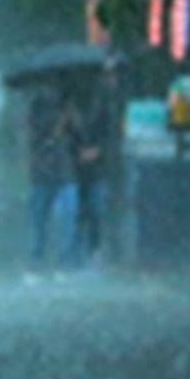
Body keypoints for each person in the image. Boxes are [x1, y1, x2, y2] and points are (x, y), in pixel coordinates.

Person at [25, 81, 80, 278]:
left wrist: (72, 119)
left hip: (66, 171)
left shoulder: (69, 105)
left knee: (68, 219)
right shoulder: (36, 108)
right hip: (42, 172)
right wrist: (60, 122)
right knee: (38, 222)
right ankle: (35, 264)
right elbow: (41, 138)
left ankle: (64, 263)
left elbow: (78, 136)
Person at [71, 66, 120, 265]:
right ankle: (80, 252)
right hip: (77, 169)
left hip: (97, 169)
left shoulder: (107, 106)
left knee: (95, 210)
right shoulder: (74, 106)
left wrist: (98, 150)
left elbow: (112, 136)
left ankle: (93, 250)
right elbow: (67, 137)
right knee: (82, 211)